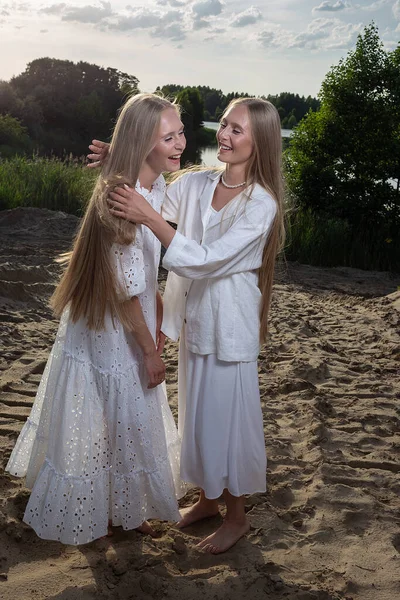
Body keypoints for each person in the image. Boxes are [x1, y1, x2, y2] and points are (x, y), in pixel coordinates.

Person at [90, 97, 285, 554]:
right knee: (197, 416)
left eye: (237, 130)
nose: (224, 135)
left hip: (230, 326)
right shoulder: (197, 183)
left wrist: (152, 220)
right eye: (224, 125)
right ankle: (207, 501)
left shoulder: (262, 205)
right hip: (193, 319)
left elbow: (204, 260)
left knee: (227, 421)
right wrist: (121, 157)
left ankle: (236, 518)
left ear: (260, 144)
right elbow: (149, 187)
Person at [6, 93, 188, 545]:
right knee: (111, 413)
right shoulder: (122, 197)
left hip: (133, 310)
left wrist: (122, 157)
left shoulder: (152, 184)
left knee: (124, 413)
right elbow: (124, 289)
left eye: (181, 132)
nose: (181, 143)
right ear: (144, 141)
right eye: (169, 137)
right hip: (112, 322)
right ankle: (104, 512)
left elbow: (144, 265)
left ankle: (124, 506)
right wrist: (149, 350)